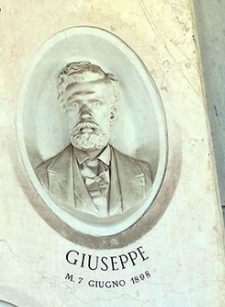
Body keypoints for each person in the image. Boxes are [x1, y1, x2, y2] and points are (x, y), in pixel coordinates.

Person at [35, 61, 153, 217]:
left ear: (111, 113)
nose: (85, 114)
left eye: (95, 103)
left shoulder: (143, 175)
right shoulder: (43, 177)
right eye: (75, 105)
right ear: (65, 111)